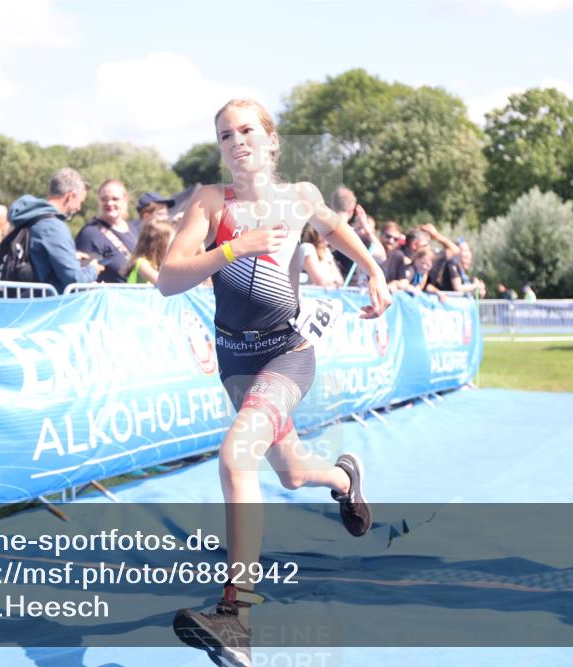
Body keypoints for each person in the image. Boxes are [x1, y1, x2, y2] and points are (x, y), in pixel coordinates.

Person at [157, 98, 391, 665]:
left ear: (270, 141)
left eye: (245, 131)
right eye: (224, 135)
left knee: (236, 457)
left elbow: (335, 233)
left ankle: (236, 617)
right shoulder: (211, 204)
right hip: (237, 360)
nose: (235, 142)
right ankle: (343, 475)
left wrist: (376, 271)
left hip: (288, 355)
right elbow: (167, 278)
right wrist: (233, 247)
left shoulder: (300, 198)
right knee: (287, 473)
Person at [4, 168, 99, 294]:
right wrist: (93, 269)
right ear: (70, 196)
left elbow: (35, 255)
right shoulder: (53, 227)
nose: (79, 208)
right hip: (45, 307)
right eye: (80, 202)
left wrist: (70, 256)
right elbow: (75, 279)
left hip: (19, 301)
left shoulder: (26, 217)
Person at [74, 179, 139, 283]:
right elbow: (81, 276)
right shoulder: (90, 234)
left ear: (125, 199)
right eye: (104, 199)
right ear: (98, 201)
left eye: (115, 199)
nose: (109, 203)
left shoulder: (133, 230)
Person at [329, 186, 386, 286]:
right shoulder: (352, 235)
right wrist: (368, 231)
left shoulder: (319, 228)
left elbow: (381, 256)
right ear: (352, 210)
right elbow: (382, 256)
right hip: (342, 291)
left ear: (331, 205)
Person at [125, 219, 174, 284]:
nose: (175, 244)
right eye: (172, 241)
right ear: (159, 244)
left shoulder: (161, 262)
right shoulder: (142, 263)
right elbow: (163, 282)